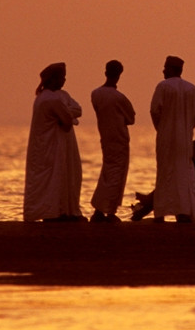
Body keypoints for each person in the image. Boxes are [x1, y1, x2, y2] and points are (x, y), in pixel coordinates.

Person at [23, 62, 84, 222]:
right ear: (54, 79)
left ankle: (60, 211)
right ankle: (54, 212)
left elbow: (78, 109)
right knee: (55, 178)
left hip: (51, 145)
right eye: (61, 77)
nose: (64, 81)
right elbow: (67, 121)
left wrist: (68, 113)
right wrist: (69, 115)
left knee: (62, 176)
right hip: (52, 146)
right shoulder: (53, 99)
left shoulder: (49, 97)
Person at [150, 55, 195, 222]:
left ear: (173, 69)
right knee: (183, 175)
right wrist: (186, 130)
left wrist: (163, 129)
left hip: (166, 139)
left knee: (165, 173)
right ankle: (183, 212)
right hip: (185, 141)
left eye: (166, 67)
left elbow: (155, 111)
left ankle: (161, 214)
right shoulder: (192, 89)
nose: (163, 70)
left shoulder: (163, 87)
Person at [90, 60, 136, 223]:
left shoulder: (95, 94)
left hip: (105, 138)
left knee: (107, 173)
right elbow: (131, 118)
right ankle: (107, 211)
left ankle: (100, 209)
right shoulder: (119, 98)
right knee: (116, 175)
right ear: (119, 75)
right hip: (119, 139)